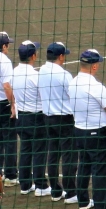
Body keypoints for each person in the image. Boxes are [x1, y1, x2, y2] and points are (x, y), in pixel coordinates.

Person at [69, 49, 106, 209]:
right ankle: (101, 205)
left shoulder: (73, 82)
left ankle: (83, 201)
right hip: (96, 133)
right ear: (94, 66)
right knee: (99, 169)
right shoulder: (96, 86)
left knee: (84, 165)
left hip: (79, 130)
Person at [38, 42, 77, 203]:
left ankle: (55, 191)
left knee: (53, 154)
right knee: (69, 156)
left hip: (48, 118)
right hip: (65, 119)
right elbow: (73, 95)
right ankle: (71, 193)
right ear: (60, 56)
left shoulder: (41, 70)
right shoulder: (64, 74)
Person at [11, 40, 50, 196]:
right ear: (33, 56)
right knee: (40, 151)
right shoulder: (35, 76)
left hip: (20, 117)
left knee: (25, 150)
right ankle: (41, 186)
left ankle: (25, 185)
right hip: (36, 118)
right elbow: (44, 96)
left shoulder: (14, 72)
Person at [0, 32, 17, 187]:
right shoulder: (4, 61)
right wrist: (13, 104)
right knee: (10, 138)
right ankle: (11, 175)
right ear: (4, 46)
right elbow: (6, 86)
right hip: (3, 104)